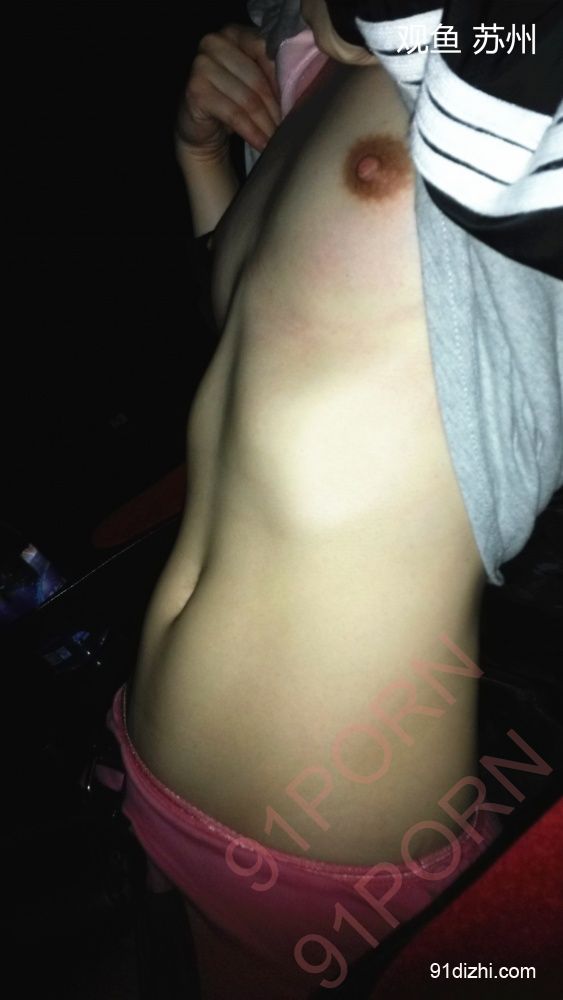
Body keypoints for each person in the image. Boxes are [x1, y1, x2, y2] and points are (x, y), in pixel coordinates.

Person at [107, 3, 561, 997]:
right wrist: (201, 156)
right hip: (161, 777)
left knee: (506, 972)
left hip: (338, 874)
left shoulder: (482, 56)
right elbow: (276, 349)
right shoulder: (295, 52)